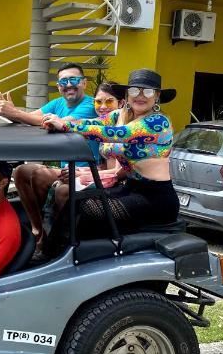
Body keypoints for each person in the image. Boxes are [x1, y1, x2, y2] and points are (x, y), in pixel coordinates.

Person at [42, 69, 180, 237]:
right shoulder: (121, 115)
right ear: (127, 95)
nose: (140, 96)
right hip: (130, 188)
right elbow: (94, 122)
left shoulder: (158, 122)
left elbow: (115, 134)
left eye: (148, 91)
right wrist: (60, 121)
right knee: (74, 202)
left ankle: (57, 252)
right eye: (135, 90)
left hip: (156, 198)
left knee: (85, 210)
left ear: (156, 96)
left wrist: (66, 126)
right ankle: (50, 250)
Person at [0, 63, 97, 245]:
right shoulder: (58, 103)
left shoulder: (90, 105)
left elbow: (59, 123)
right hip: (67, 170)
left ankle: (52, 238)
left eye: (73, 79)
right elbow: (30, 118)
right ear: (58, 86)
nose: (68, 85)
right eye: (63, 81)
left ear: (84, 83)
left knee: (46, 180)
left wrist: (15, 112)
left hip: (90, 172)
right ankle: (38, 230)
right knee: (21, 172)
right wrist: (9, 112)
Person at [42, 81, 126, 238]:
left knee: (63, 190)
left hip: (121, 184)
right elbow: (88, 124)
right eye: (98, 101)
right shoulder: (108, 122)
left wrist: (81, 175)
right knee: (44, 179)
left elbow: (118, 173)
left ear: (121, 103)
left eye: (109, 101)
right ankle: (44, 234)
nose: (102, 106)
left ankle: (63, 240)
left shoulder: (126, 128)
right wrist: (62, 123)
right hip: (106, 176)